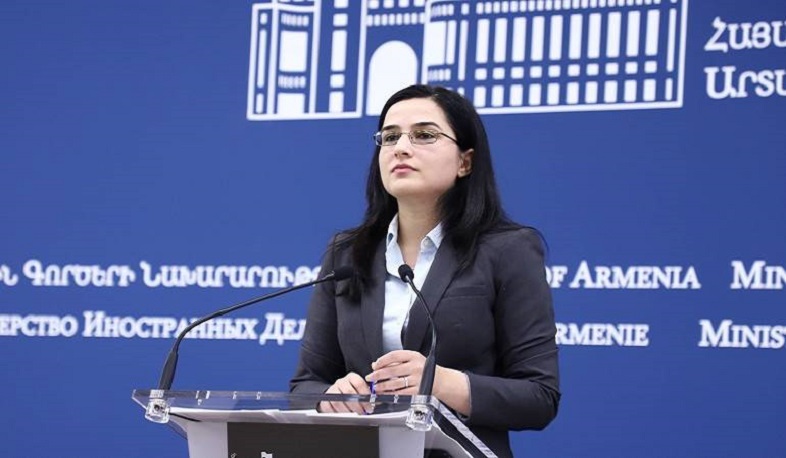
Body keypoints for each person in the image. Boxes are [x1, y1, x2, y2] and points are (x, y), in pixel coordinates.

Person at [290, 84, 560, 457]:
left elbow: (539, 397)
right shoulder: (347, 253)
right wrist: (331, 396)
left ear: (465, 162)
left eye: (424, 135)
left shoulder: (508, 249)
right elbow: (305, 384)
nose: (401, 147)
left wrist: (440, 382)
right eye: (390, 137)